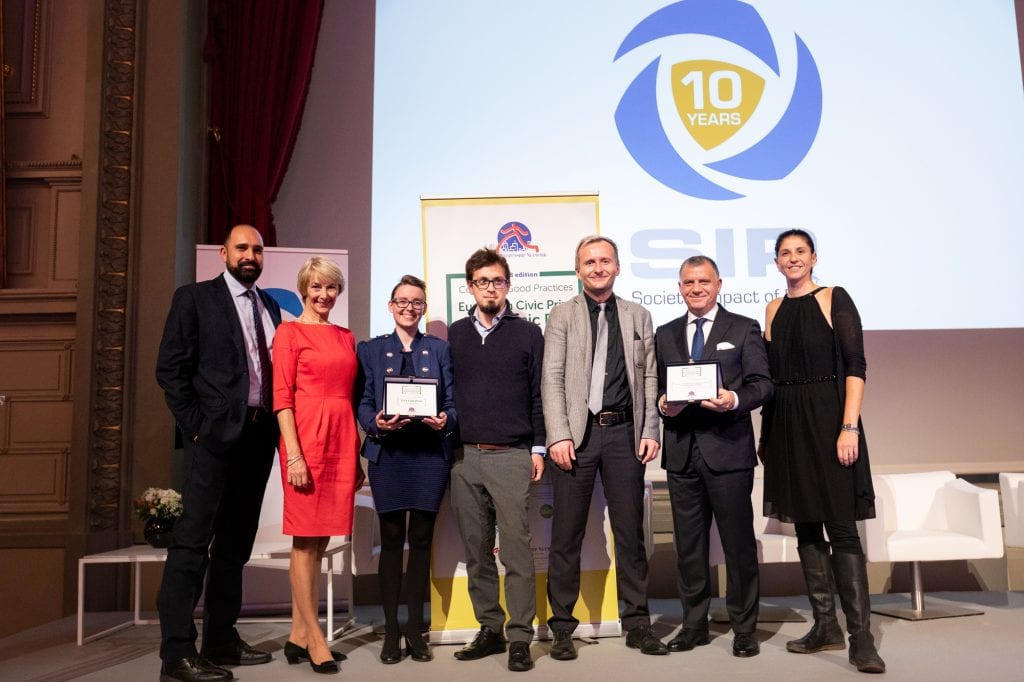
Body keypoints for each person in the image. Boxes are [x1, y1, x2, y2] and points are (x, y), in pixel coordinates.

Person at [155, 225, 281, 682]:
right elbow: (170, 368)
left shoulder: (269, 305)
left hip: (258, 436)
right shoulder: (194, 298)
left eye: (258, 250)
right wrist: (196, 428)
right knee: (192, 543)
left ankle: (222, 640)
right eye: (242, 247)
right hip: (213, 439)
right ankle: (176, 654)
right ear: (223, 253)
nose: (250, 255)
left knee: (235, 545)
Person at [759, 229, 885, 674]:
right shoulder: (772, 309)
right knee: (807, 528)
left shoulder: (834, 297)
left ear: (813, 258)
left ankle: (861, 639)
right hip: (787, 425)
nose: (792, 258)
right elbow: (770, 378)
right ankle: (825, 626)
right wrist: (766, 437)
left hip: (831, 420)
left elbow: (856, 365)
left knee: (843, 529)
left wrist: (849, 427)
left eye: (800, 251)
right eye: (784, 253)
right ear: (777, 262)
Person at [542, 235, 667, 660]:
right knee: (566, 535)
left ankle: (637, 625)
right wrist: (558, 434)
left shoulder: (638, 315)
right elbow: (552, 378)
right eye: (589, 262)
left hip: (624, 433)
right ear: (577, 270)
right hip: (577, 436)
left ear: (617, 267)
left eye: (605, 261)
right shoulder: (561, 315)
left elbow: (649, 377)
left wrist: (651, 429)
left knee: (631, 534)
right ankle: (562, 627)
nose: (598, 268)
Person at [655, 256, 773, 658]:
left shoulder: (743, 327)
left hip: (729, 453)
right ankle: (694, 626)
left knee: (738, 546)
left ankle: (744, 629)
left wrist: (734, 399)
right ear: (679, 287)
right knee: (688, 548)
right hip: (681, 455)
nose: (696, 288)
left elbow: (762, 385)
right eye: (688, 282)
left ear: (718, 284)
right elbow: (658, 389)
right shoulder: (665, 333)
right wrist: (663, 404)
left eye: (703, 281)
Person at [448, 248, 546, 673]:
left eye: (498, 281)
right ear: (470, 286)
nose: (491, 288)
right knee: (476, 551)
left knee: (517, 552)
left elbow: (540, 394)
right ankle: (490, 628)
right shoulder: (454, 335)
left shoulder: (528, 333)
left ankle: (520, 637)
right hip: (464, 457)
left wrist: (539, 447)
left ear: (508, 285)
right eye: (483, 281)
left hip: (512, 455)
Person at [356, 275, 457, 664]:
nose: (409, 308)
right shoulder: (371, 349)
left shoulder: (440, 349)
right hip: (389, 455)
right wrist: (375, 422)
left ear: (424, 308)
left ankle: (415, 629)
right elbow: (363, 401)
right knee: (392, 540)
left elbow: (452, 402)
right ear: (390, 305)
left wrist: (446, 419)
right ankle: (391, 631)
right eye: (402, 301)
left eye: (416, 302)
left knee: (421, 542)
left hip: (429, 456)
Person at [273, 256, 362, 675]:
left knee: (322, 537)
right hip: (306, 439)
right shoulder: (288, 333)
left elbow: (350, 396)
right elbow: (282, 399)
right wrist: (293, 454)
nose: (324, 295)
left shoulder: (346, 336)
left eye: (331, 287)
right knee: (305, 541)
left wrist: (357, 453)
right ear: (303, 289)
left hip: (341, 438)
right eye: (316, 287)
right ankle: (316, 638)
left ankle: (297, 635)